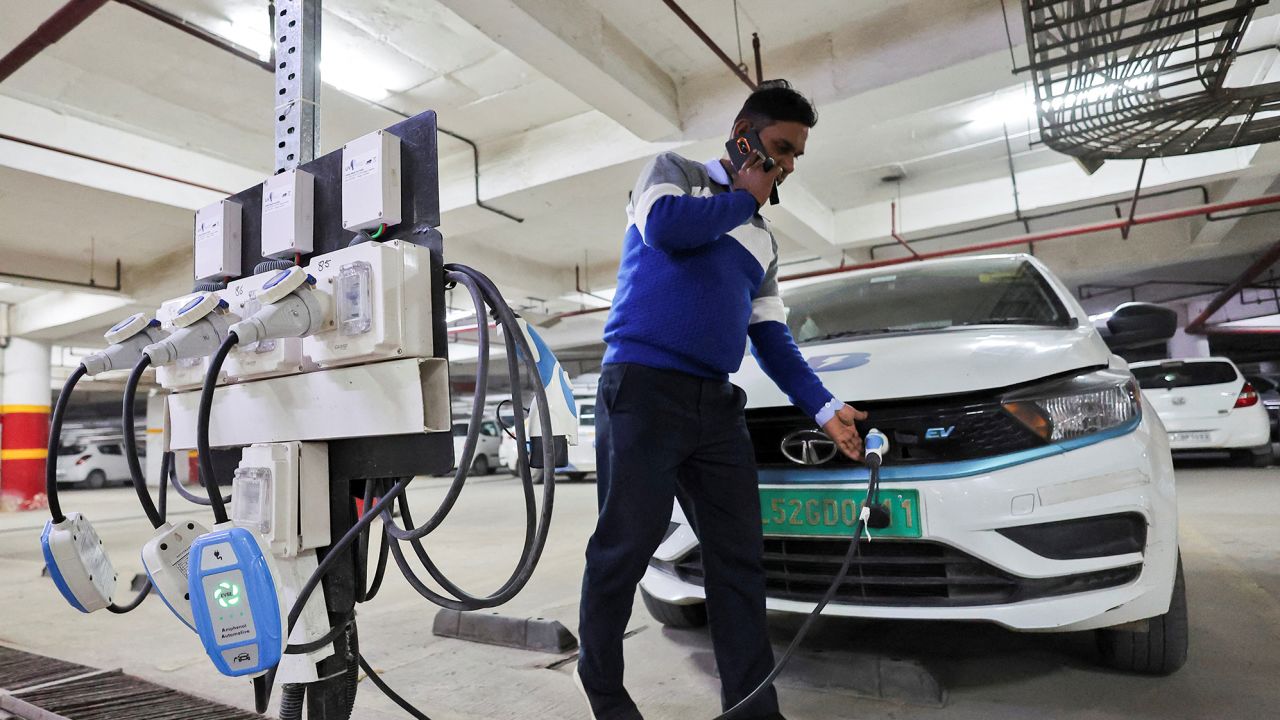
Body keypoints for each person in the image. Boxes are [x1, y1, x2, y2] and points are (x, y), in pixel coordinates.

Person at [575, 80, 866, 720]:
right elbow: (664, 230)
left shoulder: (761, 239)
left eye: (795, 157)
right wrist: (741, 199)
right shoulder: (674, 173)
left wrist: (823, 407)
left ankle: (753, 710)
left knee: (739, 561)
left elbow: (771, 337)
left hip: (715, 407)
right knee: (624, 549)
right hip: (642, 391)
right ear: (743, 133)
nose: (787, 165)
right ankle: (605, 695)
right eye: (780, 147)